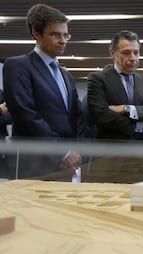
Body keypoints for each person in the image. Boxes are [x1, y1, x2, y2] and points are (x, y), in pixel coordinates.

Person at [2, 4, 89, 179]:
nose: (63, 40)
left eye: (66, 35)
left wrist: (77, 151)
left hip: (69, 165)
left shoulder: (65, 74)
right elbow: (25, 114)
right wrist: (62, 153)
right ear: (36, 33)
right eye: (55, 34)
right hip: (35, 164)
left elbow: (77, 116)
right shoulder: (18, 66)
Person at [87, 30, 143, 141]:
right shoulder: (98, 79)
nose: (133, 58)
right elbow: (101, 115)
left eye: (136, 52)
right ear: (112, 53)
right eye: (126, 53)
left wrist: (127, 109)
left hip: (141, 151)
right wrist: (141, 123)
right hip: (110, 151)